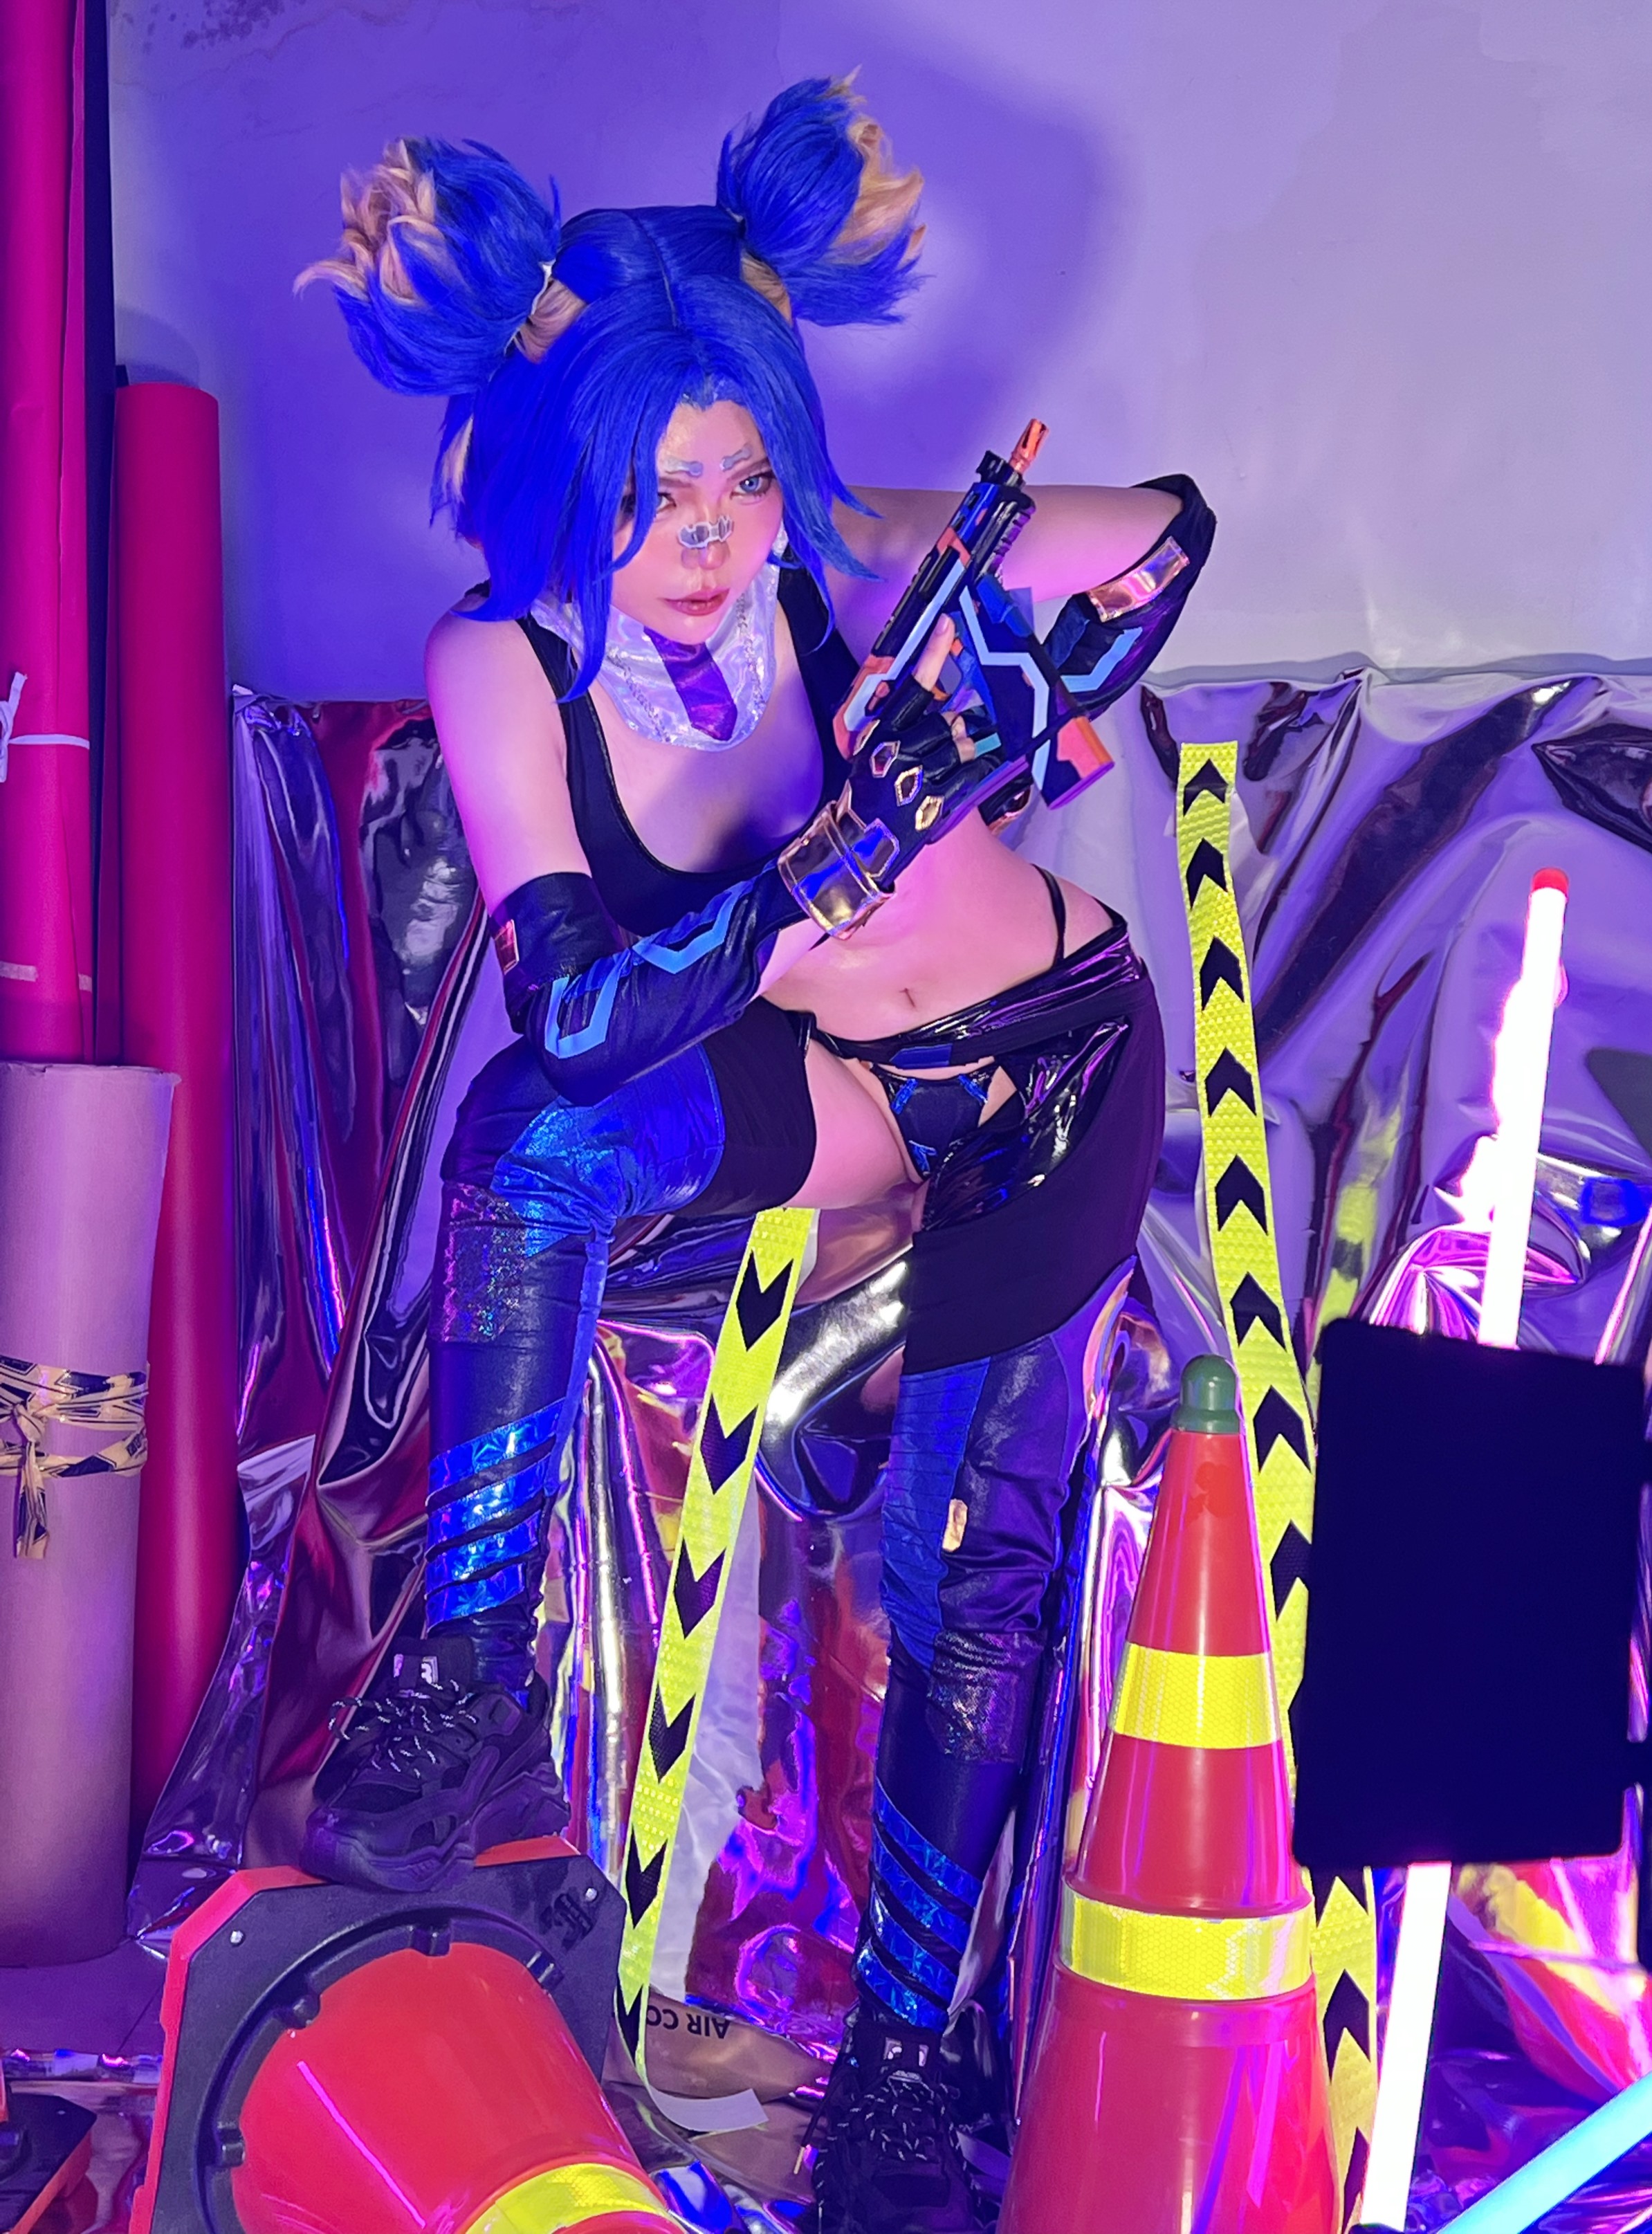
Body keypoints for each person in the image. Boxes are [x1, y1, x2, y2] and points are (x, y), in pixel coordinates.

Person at [298, 80, 1211, 2234]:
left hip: (1042, 1082)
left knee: (961, 1584)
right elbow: (577, 1015)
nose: (707, 539)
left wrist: (905, 585)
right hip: (843, 1088)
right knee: (535, 1135)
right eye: (653, 490)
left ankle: (895, 2073)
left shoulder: (827, 575)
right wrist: (805, 881)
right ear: (559, 482)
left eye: (737, 475)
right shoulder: (499, 664)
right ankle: (470, 1669)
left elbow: (1158, 537)